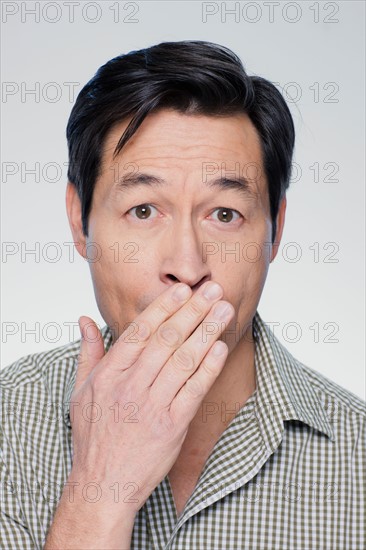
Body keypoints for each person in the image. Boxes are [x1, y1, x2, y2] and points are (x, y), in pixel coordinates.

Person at [1, 40, 364, 550]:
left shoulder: (358, 456)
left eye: (224, 214)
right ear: (78, 221)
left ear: (275, 231)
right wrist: (99, 495)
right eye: (144, 210)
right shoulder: (8, 424)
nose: (187, 269)